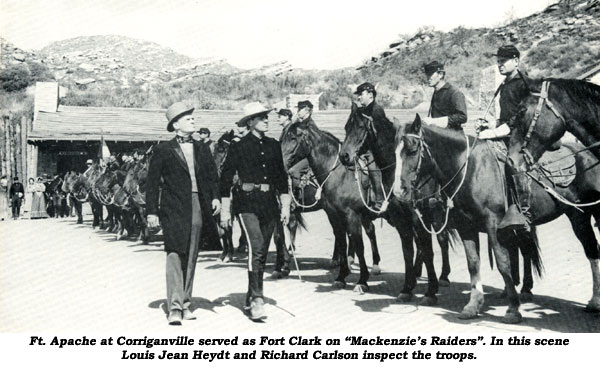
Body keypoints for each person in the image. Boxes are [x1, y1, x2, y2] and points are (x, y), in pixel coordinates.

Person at [146, 101, 221, 326]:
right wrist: (152, 212)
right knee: (174, 254)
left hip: (199, 205)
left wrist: (216, 197)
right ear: (176, 124)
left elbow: (211, 176)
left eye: (192, 117)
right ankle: (174, 307)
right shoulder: (163, 150)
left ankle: (186, 303)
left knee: (191, 254)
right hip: (173, 208)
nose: (193, 120)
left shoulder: (201, 147)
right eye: (188, 118)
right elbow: (152, 184)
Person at [219, 102, 291, 321]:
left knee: (261, 251)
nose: (266, 120)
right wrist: (225, 209)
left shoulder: (273, 144)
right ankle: (258, 299)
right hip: (246, 204)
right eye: (261, 118)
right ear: (250, 122)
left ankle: (250, 297)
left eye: (266, 117)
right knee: (257, 248)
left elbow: (281, 177)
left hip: (270, 205)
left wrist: (286, 204)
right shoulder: (238, 146)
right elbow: (225, 178)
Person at [477, 45, 532, 231]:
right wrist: (491, 124)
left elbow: (523, 113)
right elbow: (506, 115)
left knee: (513, 161)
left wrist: (498, 130)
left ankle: (523, 212)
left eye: (504, 61)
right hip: (508, 131)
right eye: (498, 61)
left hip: (521, 134)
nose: (499, 64)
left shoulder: (524, 83)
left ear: (516, 61)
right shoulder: (504, 83)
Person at [353, 83, 386, 211]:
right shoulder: (362, 111)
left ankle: (379, 199)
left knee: (372, 167)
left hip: (375, 149)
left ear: (370, 95)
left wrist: (361, 149)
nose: (359, 98)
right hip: (363, 147)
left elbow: (378, 135)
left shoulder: (377, 110)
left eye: (361, 94)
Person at [421, 61, 468, 129]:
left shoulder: (454, 93)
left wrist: (434, 121)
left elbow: (462, 117)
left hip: (453, 136)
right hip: (439, 134)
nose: (428, 78)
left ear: (440, 75)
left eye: (430, 74)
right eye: (427, 75)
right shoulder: (437, 92)